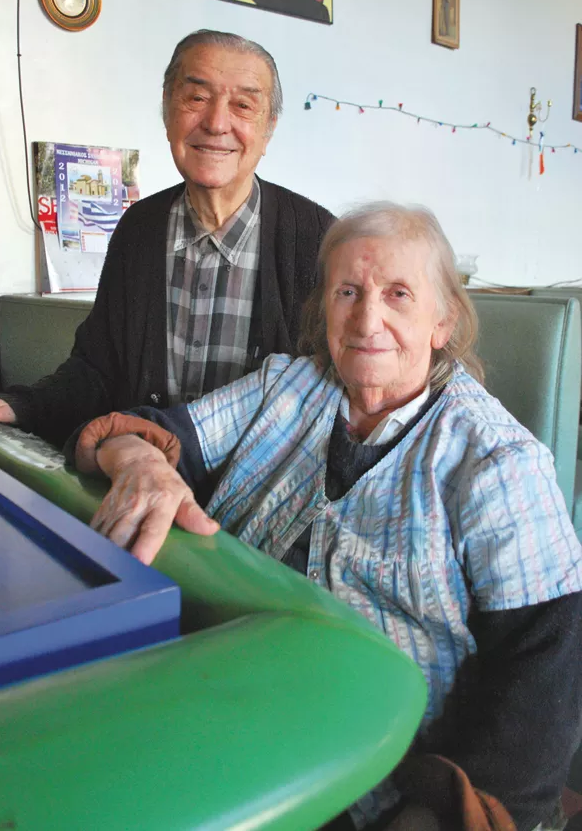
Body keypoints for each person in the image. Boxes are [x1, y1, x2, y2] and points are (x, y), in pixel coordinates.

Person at [68, 202, 582, 831]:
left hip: (379, 784)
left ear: (442, 320)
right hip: (218, 707)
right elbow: (155, 438)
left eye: (398, 294)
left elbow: (547, 672)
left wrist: (444, 811)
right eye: (348, 291)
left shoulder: (498, 460)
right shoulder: (285, 386)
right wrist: (138, 459)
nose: (369, 319)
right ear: (325, 309)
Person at [0, 30, 334, 447]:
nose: (217, 123)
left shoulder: (318, 240)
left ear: (268, 127)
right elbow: (97, 371)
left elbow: (342, 400)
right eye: (196, 98)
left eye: (243, 105)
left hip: (259, 504)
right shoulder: (139, 229)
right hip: (138, 478)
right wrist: (22, 405)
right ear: (168, 109)